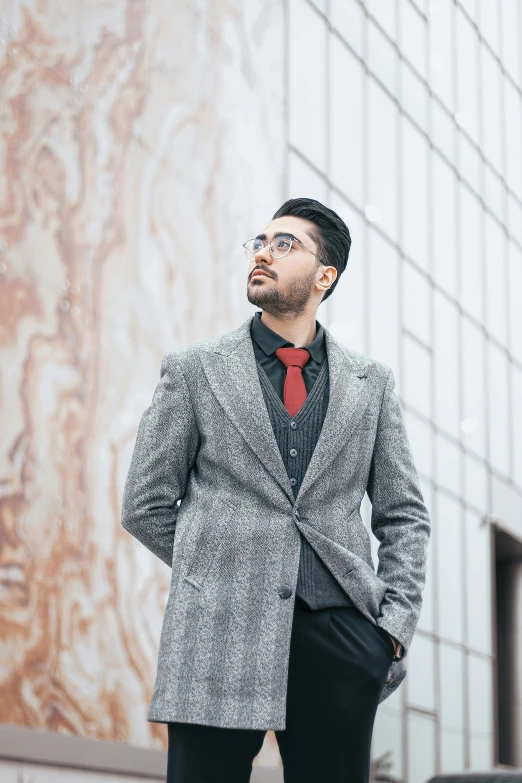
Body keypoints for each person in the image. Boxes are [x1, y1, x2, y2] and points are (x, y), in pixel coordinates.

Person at [121, 197, 431, 782]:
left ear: (325, 275)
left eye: (285, 243)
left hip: (340, 635)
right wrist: (217, 570)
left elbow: (404, 514)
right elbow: (145, 503)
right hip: (216, 631)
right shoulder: (195, 370)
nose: (263, 251)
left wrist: (390, 632)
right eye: (259, 241)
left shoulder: (371, 385)